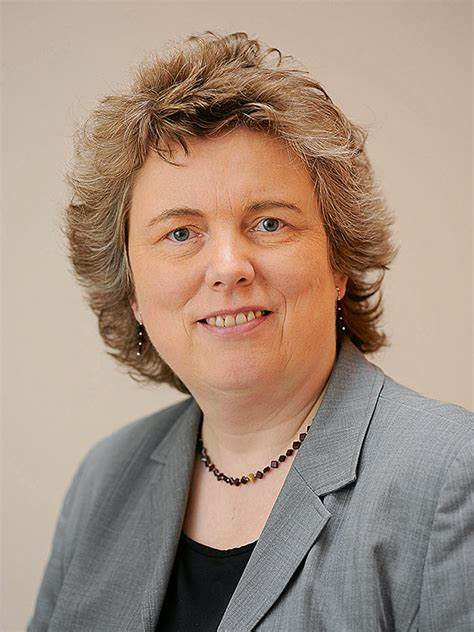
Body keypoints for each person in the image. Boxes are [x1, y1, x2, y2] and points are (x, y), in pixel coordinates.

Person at [27, 31, 473, 632]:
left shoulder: (452, 476)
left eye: (268, 223)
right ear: (132, 291)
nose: (229, 267)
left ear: (338, 263)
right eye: (180, 233)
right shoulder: (104, 481)